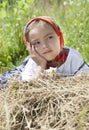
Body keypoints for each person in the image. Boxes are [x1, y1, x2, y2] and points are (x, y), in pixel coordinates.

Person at [0, 16, 89, 87]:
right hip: (23, 69)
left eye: (50, 37)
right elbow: (30, 90)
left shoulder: (72, 58)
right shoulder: (33, 62)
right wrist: (40, 65)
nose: (44, 46)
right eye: (37, 42)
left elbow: (85, 81)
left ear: (59, 37)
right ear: (30, 47)